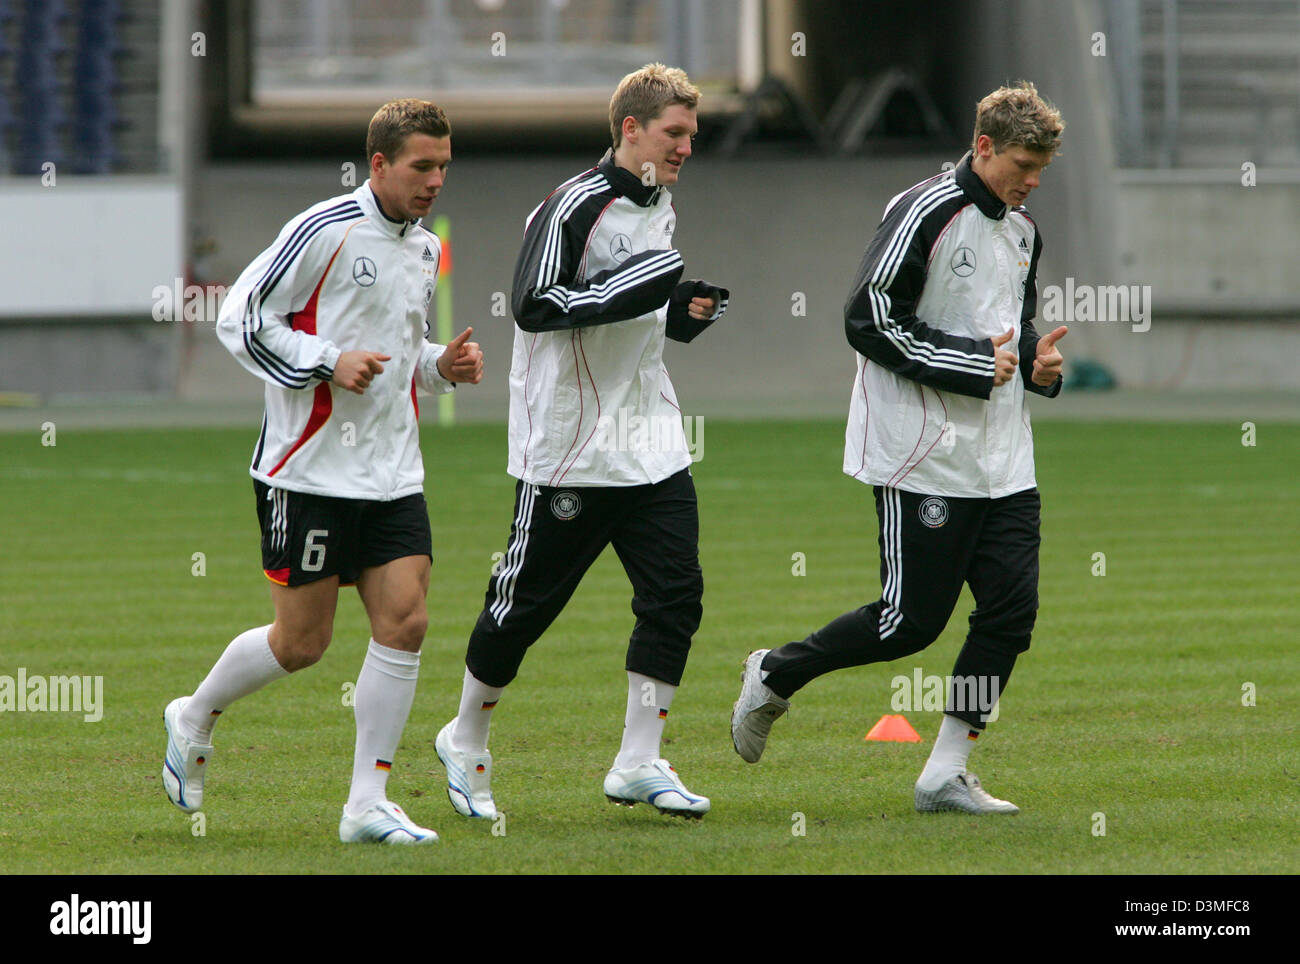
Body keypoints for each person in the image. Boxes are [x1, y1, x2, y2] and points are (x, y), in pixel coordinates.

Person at [731, 81, 1067, 815]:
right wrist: (975, 362)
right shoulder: (921, 212)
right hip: (922, 451)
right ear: (982, 147)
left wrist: (1037, 361)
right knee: (907, 623)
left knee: (1011, 614)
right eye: (1022, 163)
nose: (1033, 180)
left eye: (1042, 167)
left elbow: (1013, 325)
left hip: (1005, 457)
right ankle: (775, 674)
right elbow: (868, 319)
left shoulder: (1023, 231)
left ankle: (945, 771)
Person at [161, 98, 484, 844]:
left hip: (394, 474)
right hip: (306, 473)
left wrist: (441, 366)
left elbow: (400, 359)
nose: (435, 180)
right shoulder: (323, 230)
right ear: (378, 164)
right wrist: (325, 362)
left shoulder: (426, 248)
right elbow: (239, 318)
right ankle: (194, 714)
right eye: (420, 166)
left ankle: (367, 804)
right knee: (302, 644)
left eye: (443, 166)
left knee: (405, 622)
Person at [433, 63, 728, 821]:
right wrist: (650, 282)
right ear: (631, 130)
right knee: (525, 605)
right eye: (675, 133)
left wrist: (682, 311)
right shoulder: (570, 207)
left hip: (650, 435)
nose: (687, 146)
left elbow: (642, 307)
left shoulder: (661, 202)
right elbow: (536, 305)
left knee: (675, 595)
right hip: (570, 444)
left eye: (692, 134)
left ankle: (639, 760)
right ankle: (464, 737)